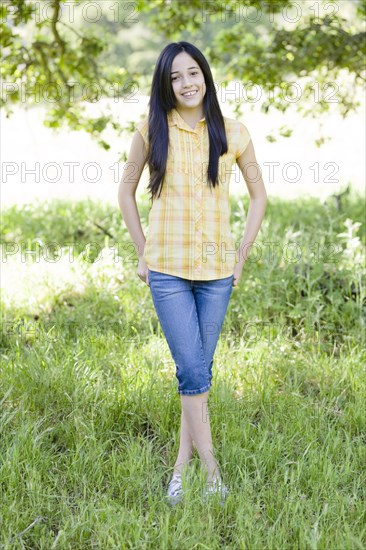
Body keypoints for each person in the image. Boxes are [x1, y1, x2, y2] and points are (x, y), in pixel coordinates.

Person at [118, 41, 267, 505]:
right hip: (167, 271)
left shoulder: (233, 132)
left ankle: (179, 472)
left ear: (205, 75)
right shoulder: (150, 129)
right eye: (174, 77)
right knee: (192, 370)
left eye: (192, 73)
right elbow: (124, 194)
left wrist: (240, 258)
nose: (185, 84)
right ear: (165, 86)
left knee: (196, 373)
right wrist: (144, 251)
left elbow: (260, 197)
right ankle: (212, 474)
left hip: (218, 272)